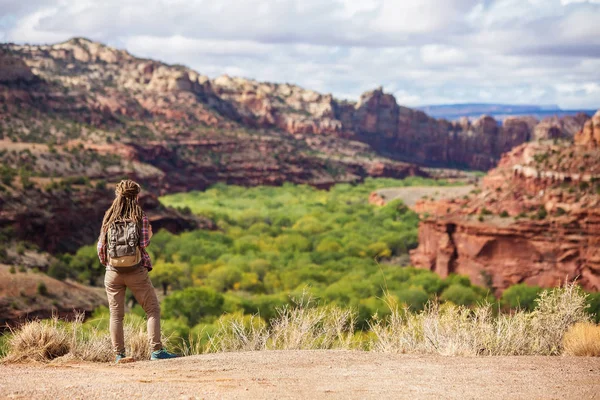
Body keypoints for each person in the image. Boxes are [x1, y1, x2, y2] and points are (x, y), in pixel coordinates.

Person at [97, 179, 177, 362]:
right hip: (135, 271)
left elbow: (101, 247)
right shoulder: (139, 215)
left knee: (116, 315)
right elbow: (143, 243)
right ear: (136, 195)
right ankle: (156, 351)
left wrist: (109, 264)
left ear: (118, 194)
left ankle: (119, 355)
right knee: (152, 310)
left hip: (113, 272)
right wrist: (149, 232)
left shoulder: (109, 216)